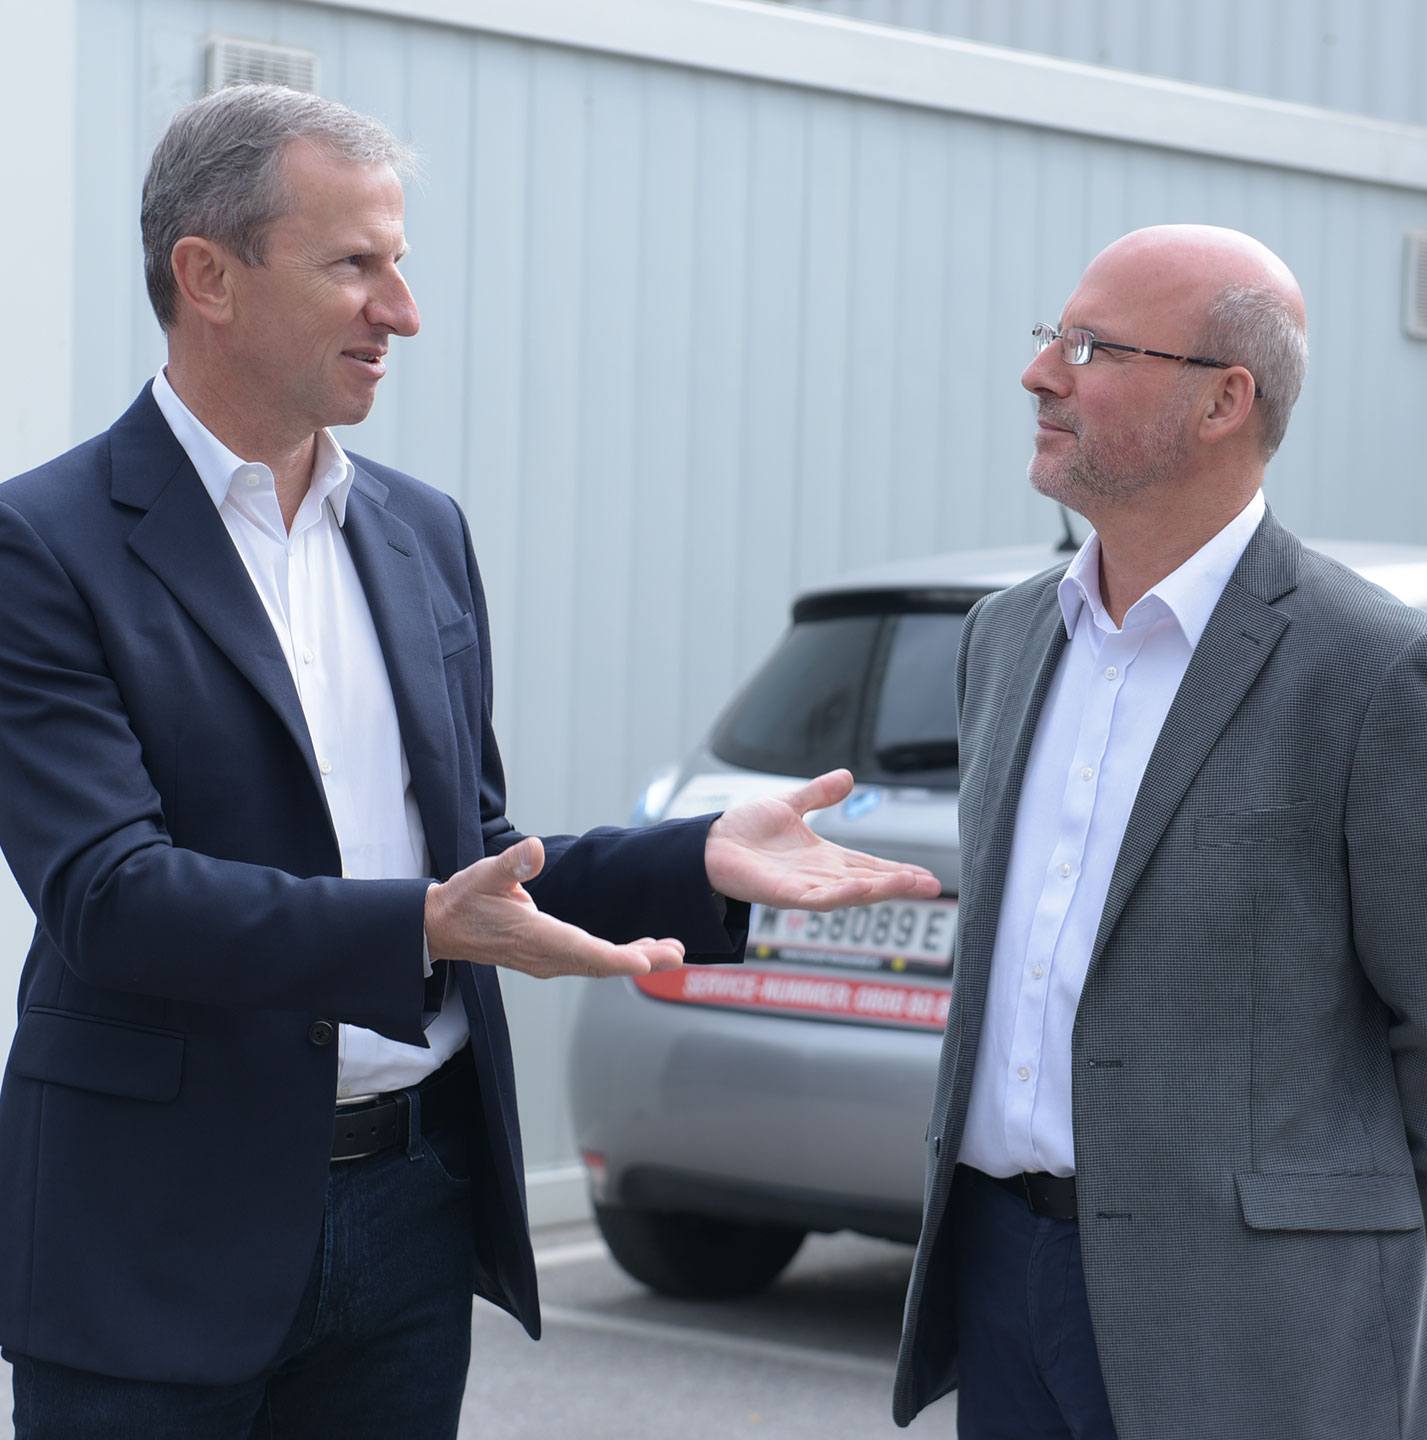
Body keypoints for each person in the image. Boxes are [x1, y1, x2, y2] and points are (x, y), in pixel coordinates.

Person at [0, 84, 939, 1439]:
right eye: (355, 265)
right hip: (155, 1231)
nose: (403, 311)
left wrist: (694, 859)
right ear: (207, 277)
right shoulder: (45, 545)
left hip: (410, 1218)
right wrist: (425, 927)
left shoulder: (419, 531)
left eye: (399, 262)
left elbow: (473, 858)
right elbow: (110, 896)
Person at [892, 224, 1427, 1439]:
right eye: (1053, 337)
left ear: (1223, 402)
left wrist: (1343, 1267)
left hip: (1258, 1327)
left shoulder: (1371, 670)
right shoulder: (1005, 638)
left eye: (1091, 348)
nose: (1040, 373)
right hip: (1002, 1275)